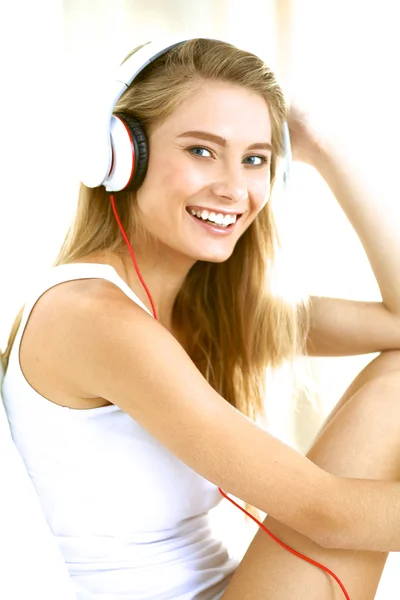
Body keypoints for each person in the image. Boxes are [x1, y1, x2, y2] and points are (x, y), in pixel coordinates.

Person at [2, 36, 400, 600]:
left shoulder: (205, 309)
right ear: (121, 155)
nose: (234, 188)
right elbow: (325, 512)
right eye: (201, 151)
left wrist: (325, 145)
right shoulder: (91, 315)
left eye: (255, 158)